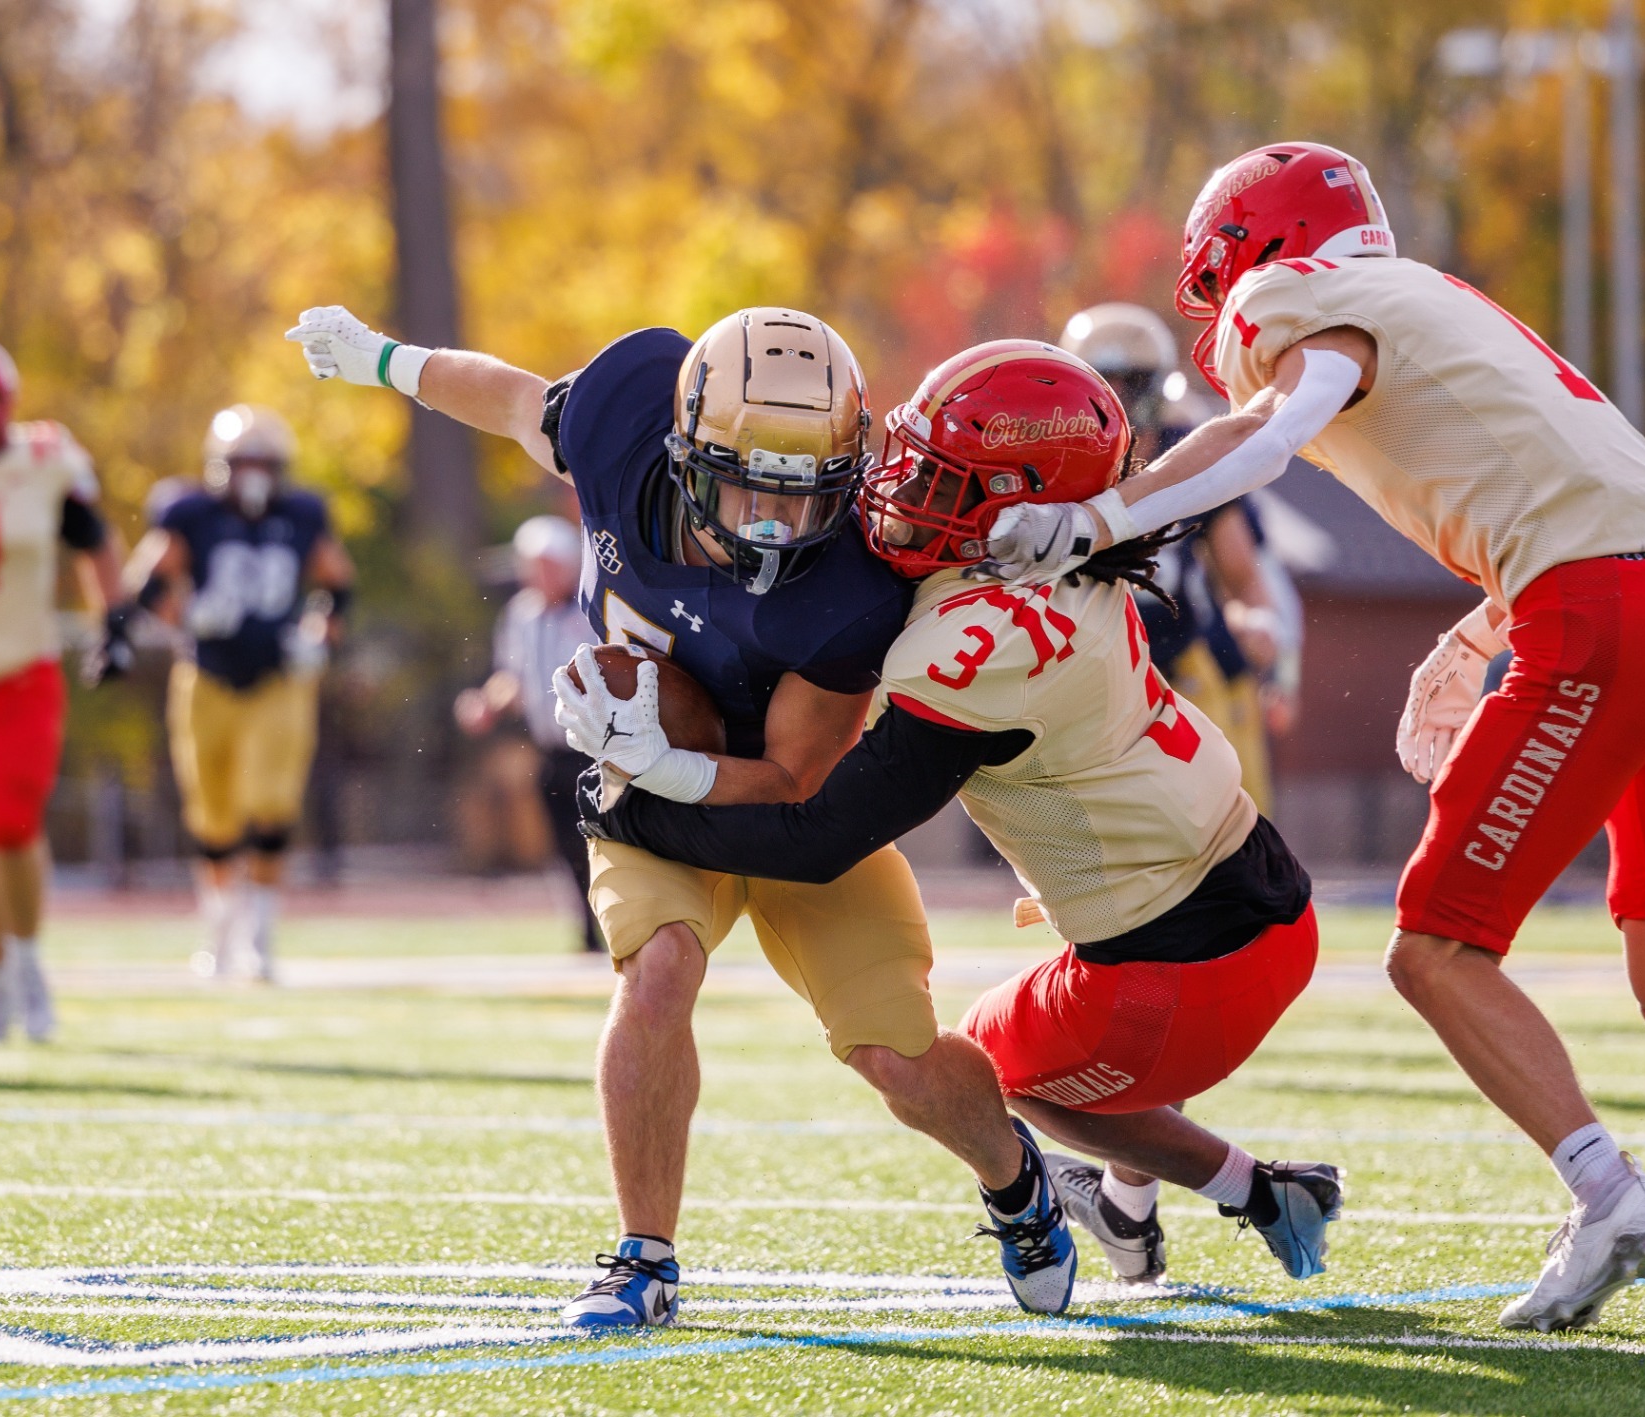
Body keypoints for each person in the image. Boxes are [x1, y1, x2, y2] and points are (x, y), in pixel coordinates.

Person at [981, 141, 1645, 1328]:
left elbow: (1276, 427)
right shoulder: (1440, 301)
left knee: (1434, 951)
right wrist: (1470, 635)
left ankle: (1605, 1195)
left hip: (1597, 621)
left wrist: (1100, 517)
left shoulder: (1301, 297)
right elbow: (1593, 495)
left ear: (1257, 246)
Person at [285, 304, 1077, 1324]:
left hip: (792, 816)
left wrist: (664, 758)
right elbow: (516, 401)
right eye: (748, 486)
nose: (773, 523)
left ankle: (1015, 1179)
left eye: (803, 496)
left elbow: (793, 776)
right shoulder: (619, 418)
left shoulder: (852, 584)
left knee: (896, 1053)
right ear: (684, 450)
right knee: (657, 969)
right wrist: (389, 361)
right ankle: (642, 1259)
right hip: (649, 783)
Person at [576, 340, 1341, 1290]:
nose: (901, 489)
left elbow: (818, 838)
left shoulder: (974, 644)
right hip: (1251, 885)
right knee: (1026, 1053)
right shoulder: (1079, 551)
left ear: (1024, 509)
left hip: (1175, 961)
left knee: (1003, 1072)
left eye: (940, 479)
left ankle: (1253, 1191)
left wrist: (642, 800)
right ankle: (1157, 1204)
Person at [113, 406, 355, 982]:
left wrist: (317, 634)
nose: (254, 475)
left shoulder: (301, 515)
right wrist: (186, 615)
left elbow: (338, 586)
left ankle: (260, 938)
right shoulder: (191, 513)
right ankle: (219, 931)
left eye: (264, 464)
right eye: (244, 462)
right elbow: (143, 582)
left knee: (272, 802)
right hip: (207, 677)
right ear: (220, 465)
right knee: (213, 812)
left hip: (280, 678)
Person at [1060, 303, 1286, 812]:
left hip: (1183, 663)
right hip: (1086, 671)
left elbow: (1244, 580)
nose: (1118, 402)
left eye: (1131, 384)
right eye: (1104, 385)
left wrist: (1258, 622)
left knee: (1233, 818)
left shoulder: (1187, 453)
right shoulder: (1054, 467)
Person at [0, 333, 122, 1046]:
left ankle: (29, 966)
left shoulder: (43, 460)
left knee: (8, 820)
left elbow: (95, 541)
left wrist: (113, 620)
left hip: (20, 673)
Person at [454, 514, 603, 951]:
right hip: (552, 749)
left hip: (599, 750)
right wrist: (486, 704)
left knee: (605, 842)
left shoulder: (592, 609)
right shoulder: (521, 614)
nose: (534, 575)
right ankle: (586, 929)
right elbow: (513, 678)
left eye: (544, 566)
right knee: (565, 844)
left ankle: (618, 922)